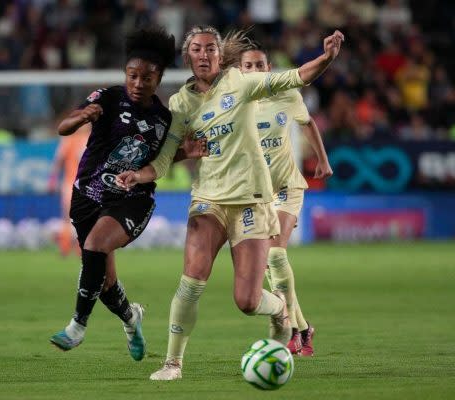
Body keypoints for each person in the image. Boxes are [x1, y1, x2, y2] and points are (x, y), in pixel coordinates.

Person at [116, 25, 343, 380]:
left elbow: (296, 77)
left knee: (247, 301)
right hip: (208, 199)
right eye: (196, 49)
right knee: (191, 280)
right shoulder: (180, 104)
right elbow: (164, 159)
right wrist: (139, 175)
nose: (203, 54)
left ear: (220, 56)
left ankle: (280, 310)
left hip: (251, 200)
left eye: (210, 48)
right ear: (187, 57)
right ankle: (173, 363)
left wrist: (326, 57)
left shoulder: (240, 83)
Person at [48, 27, 177, 362]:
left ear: (159, 79)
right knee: (104, 282)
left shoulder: (164, 120)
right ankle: (131, 319)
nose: (138, 83)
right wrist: (82, 117)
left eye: (147, 77)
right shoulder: (107, 97)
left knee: (94, 246)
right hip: (87, 196)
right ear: (125, 74)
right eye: (133, 75)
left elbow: (164, 158)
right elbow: (63, 127)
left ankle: (77, 326)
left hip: (132, 199)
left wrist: (188, 151)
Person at [223, 33, 333, 356]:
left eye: (260, 65)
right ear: (240, 71)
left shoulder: (286, 93)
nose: (255, 70)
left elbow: (307, 123)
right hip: (257, 194)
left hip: (287, 187)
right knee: (269, 267)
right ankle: (301, 327)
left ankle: (292, 330)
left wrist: (322, 159)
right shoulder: (235, 101)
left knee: (275, 255)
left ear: (269, 68)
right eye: (249, 66)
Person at [48, 123, 90, 257]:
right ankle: (70, 247)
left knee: (75, 217)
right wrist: (52, 180)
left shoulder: (73, 139)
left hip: (79, 184)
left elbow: (58, 161)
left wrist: (52, 180)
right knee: (74, 217)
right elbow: (59, 161)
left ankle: (72, 248)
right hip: (75, 184)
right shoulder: (72, 139)